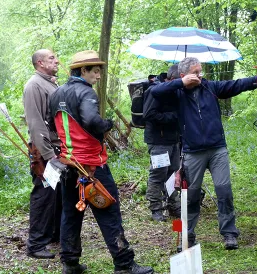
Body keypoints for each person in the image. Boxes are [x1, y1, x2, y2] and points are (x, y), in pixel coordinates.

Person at [150, 57, 257, 250]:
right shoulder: (176, 92)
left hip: (217, 148)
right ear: (184, 75)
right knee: (191, 195)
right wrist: (181, 83)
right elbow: (154, 92)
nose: (200, 75)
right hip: (193, 152)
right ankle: (186, 235)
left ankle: (229, 233)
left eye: (201, 71)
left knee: (224, 190)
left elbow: (237, 85)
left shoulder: (209, 87)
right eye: (195, 72)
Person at [48, 50, 154, 274]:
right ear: (83, 70)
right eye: (95, 71)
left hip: (68, 164)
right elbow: (91, 120)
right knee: (109, 211)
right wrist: (107, 124)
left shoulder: (56, 93)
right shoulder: (86, 93)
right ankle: (124, 265)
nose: (98, 76)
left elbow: (51, 126)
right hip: (91, 167)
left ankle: (70, 263)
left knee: (71, 213)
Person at [22, 49, 62, 259]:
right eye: (52, 58)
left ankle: (53, 235)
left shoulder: (50, 82)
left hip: (55, 148)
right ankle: (36, 244)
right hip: (44, 152)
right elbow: (36, 122)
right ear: (40, 63)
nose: (57, 60)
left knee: (56, 193)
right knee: (44, 194)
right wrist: (47, 154)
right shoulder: (34, 85)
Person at [143, 65, 181, 222]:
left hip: (173, 139)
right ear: (172, 78)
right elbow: (149, 114)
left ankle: (173, 205)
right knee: (158, 174)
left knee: (173, 173)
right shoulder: (156, 90)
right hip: (159, 140)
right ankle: (155, 208)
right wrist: (173, 117)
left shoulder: (177, 91)